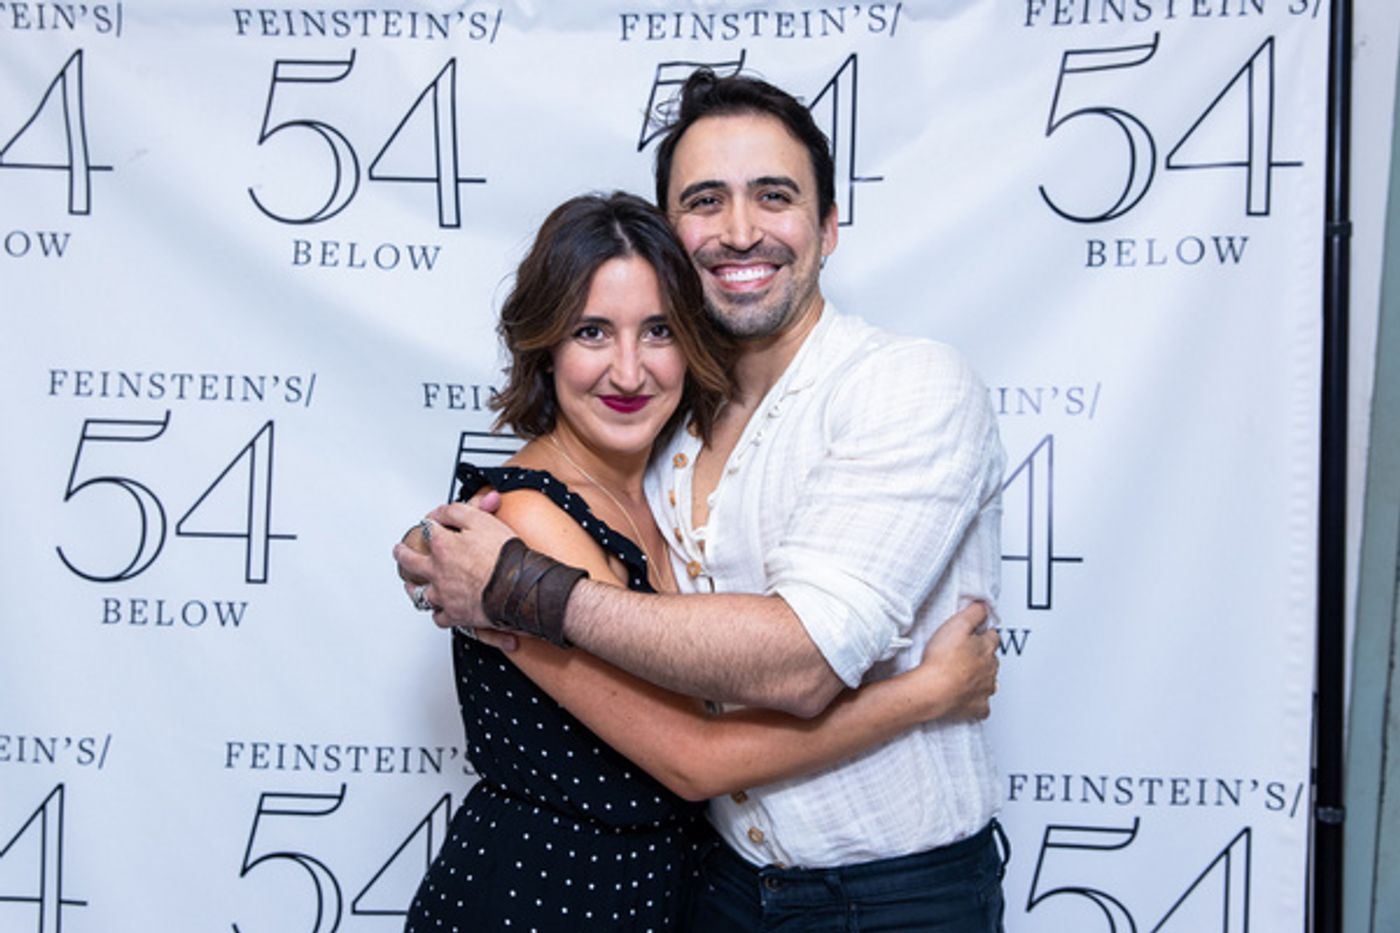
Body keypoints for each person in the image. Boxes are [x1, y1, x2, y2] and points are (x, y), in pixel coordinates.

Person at [399, 191, 1000, 933]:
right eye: (592, 332)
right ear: (544, 346)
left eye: (657, 331)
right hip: (541, 899)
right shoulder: (522, 520)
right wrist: (927, 692)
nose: (628, 370)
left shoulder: (669, 479)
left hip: (667, 897)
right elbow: (697, 760)